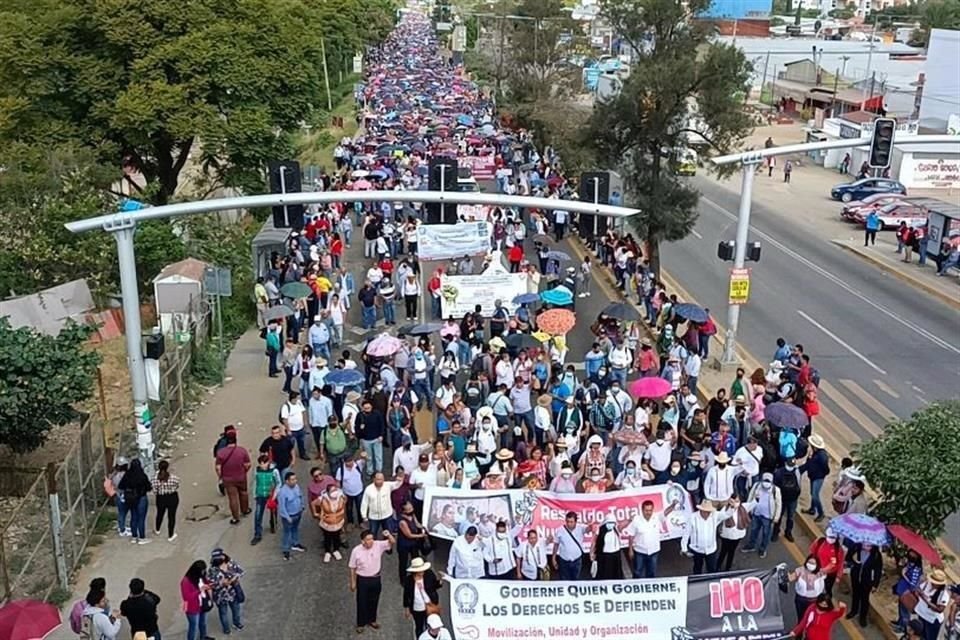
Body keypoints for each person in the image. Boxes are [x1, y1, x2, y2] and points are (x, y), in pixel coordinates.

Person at [348, 529, 397, 634]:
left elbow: (392, 542)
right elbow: (352, 567)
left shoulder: (378, 545)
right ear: (362, 541)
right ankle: (361, 623)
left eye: (371, 539)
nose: (370, 541)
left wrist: (388, 535)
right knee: (361, 601)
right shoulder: (356, 551)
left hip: (375, 578)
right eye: (368, 539)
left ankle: (372, 620)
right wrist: (353, 582)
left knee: (374, 600)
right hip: (362, 579)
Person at [625, 499, 678, 578]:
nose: (648, 513)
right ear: (642, 510)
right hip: (640, 551)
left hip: (654, 551)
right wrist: (630, 550)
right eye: (646, 510)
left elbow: (666, 512)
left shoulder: (656, 517)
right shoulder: (636, 520)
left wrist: (673, 505)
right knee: (637, 572)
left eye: (650, 510)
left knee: (651, 572)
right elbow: (631, 535)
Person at [681, 500, 734, 575]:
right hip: (697, 549)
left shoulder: (715, 515)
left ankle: (711, 583)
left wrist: (731, 507)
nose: (708, 514)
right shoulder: (692, 517)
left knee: (712, 569)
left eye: (709, 512)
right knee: (697, 568)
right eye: (706, 511)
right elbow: (686, 534)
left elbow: (726, 515)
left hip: (711, 549)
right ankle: (697, 583)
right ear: (701, 510)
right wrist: (684, 548)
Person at [741, 472, 781, 559]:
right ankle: (751, 545)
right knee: (753, 530)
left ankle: (763, 549)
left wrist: (776, 517)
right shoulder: (756, 486)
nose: (766, 483)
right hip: (756, 513)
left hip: (767, 517)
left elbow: (778, 504)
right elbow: (750, 496)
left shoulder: (775, 490)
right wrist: (748, 509)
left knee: (766, 533)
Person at [215, 430, 252, 525]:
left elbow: (218, 468)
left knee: (233, 498)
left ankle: (235, 518)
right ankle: (245, 509)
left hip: (228, 479)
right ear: (236, 440)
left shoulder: (221, 453)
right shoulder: (242, 450)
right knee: (243, 493)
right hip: (241, 476)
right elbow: (248, 464)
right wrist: (244, 471)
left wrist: (221, 477)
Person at [403, 557, 442, 638]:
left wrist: (440, 582)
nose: (422, 572)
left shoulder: (429, 574)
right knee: (419, 627)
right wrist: (406, 608)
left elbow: (435, 585)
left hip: (430, 605)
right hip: (417, 608)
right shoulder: (409, 580)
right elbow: (406, 594)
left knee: (431, 625)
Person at [208, 548, 245, 634]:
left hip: (233, 593)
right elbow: (211, 585)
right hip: (221, 596)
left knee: (236, 610)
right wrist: (221, 584)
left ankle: (236, 623)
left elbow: (241, 572)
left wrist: (233, 579)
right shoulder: (212, 570)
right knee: (223, 613)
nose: (222, 556)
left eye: (222, 555)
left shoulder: (231, 563)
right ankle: (226, 628)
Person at [846, 542, 883, 628]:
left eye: (869, 545)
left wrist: (875, 584)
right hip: (855, 577)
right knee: (855, 595)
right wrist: (853, 561)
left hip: (867, 581)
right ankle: (854, 611)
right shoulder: (856, 547)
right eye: (865, 544)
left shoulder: (877, 555)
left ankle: (863, 617)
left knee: (865, 599)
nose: (867, 547)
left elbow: (878, 570)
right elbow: (848, 558)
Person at [117, 458, 152, 544]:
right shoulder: (142, 476)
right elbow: (148, 487)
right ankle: (142, 538)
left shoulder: (127, 475)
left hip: (130, 499)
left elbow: (121, 486)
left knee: (134, 517)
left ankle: (134, 536)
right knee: (141, 518)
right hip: (141, 498)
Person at [314, 480, 346, 563]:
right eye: (332, 491)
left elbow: (345, 501)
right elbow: (313, 503)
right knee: (327, 538)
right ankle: (327, 552)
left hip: (338, 522)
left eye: (335, 490)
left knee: (337, 537)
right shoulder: (323, 498)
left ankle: (336, 550)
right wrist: (316, 514)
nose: (334, 492)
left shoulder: (341, 496)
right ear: (328, 492)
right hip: (327, 523)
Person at [250, 454, 279, 545]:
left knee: (273, 511)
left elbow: (278, 483)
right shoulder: (257, 471)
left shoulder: (274, 471)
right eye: (261, 463)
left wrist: (275, 495)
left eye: (264, 463)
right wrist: (254, 494)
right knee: (258, 514)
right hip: (260, 495)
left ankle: (273, 523)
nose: (263, 465)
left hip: (270, 495)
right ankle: (257, 534)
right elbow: (255, 482)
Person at [893, 550, 925, 632]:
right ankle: (899, 622)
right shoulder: (910, 564)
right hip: (902, 590)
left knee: (905, 611)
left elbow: (913, 584)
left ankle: (903, 627)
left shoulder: (916, 569)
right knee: (901, 608)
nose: (910, 556)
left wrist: (904, 575)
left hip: (906, 593)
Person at [180, 560, 213, 640]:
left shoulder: (201, 577)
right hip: (191, 608)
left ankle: (203, 637)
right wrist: (200, 590)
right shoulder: (185, 581)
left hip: (202, 604)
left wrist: (210, 585)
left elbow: (206, 582)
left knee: (203, 623)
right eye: (202, 570)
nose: (204, 572)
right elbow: (187, 597)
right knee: (193, 627)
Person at [915, 569, 951, 640]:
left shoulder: (944, 594)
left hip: (932, 620)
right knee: (921, 635)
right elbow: (918, 589)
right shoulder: (927, 583)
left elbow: (940, 609)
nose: (932, 583)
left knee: (930, 637)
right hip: (922, 614)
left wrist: (926, 600)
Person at [277, 471, 306, 560]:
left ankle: (295, 543)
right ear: (287, 481)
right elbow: (282, 506)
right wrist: (287, 517)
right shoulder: (282, 492)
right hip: (289, 516)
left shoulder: (296, 487)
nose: (295, 481)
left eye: (295, 479)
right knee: (287, 532)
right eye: (292, 479)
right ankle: (286, 550)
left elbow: (300, 496)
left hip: (297, 513)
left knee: (295, 529)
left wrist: (302, 505)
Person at [552, 511, 587, 580]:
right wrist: (553, 558)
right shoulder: (559, 530)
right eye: (567, 521)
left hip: (577, 560)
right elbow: (556, 544)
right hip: (564, 560)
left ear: (575, 522)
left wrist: (591, 525)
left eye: (571, 522)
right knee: (564, 581)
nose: (569, 524)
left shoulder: (581, 528)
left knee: (576, 581)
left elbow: (589, 529)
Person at [809, 529, 845, 596]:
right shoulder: (820, 542)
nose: (831, 539)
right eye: (830, 537)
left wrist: (838, 576)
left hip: (830, 575)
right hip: (817, 570)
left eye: (833, 537)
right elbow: (812, 551)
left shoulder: (838, 549)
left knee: (827, 591)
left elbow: (840, 563)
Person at [790, 556, 825, 621]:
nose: (810, 564)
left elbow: (830, 569)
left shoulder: (820, 572)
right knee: (801, 618)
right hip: (801, 599)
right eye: (809, 562)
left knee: (812, 619)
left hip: (815, 600)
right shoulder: (800, 570)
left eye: (813, 563)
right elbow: (791, 577)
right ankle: (799, 630)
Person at [153, 460, 180, 542]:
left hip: (160, 498)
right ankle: (170, 535)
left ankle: (157, 529)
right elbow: (177, 484)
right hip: (172, 497)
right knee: (171, 516)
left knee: (160, 514)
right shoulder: (173, 478)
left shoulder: (155, 478)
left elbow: (154, 490)